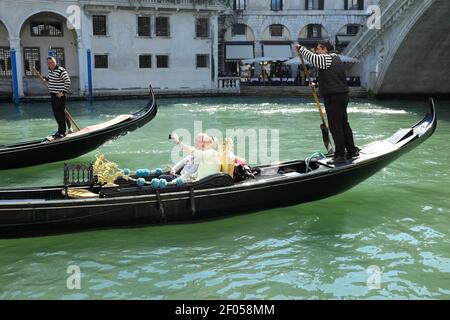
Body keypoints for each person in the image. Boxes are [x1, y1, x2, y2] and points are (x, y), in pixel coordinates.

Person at [295, 41, 359, 164]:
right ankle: (351, 150)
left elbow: (313, 59)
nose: (316, 52)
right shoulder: (336, 58)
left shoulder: (326, 57)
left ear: (324, 49)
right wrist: (317, 85)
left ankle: (339, 155)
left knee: (335, 126)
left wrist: (301, 49)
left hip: (334, 97)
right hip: (342, 94)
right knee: (343, 124)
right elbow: (332, 78)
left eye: (318, 49)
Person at [44, 56, 71, 139]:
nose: (51, 64)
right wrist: (46, 79)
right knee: (56, 114)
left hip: (59, 96)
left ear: (55, 62)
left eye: (52, 62)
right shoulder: (50, 70)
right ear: (47, 64)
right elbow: (51, 78)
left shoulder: (61, 70)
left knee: (60, 115)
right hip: (53, 95)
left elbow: (68, 81)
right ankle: (60, 130)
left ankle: (62, 132)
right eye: (49, 63)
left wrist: (63, 92)